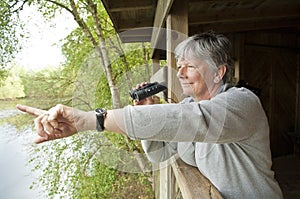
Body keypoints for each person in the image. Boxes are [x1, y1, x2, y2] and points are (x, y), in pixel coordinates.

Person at [16, 31, 283, 199]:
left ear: (218, 72)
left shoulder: (241, 102)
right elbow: (160, 154)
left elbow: (191, 119)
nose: (179, 73)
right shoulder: (190, 105)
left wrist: (93, 119)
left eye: (189, 66)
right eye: (179, 66)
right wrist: (146, 112)